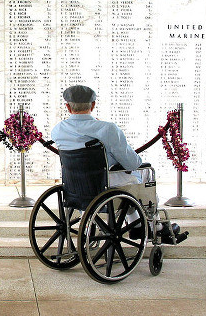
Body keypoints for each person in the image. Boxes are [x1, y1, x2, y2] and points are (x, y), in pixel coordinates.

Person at [51, 85, 182, 242]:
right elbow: (132, 163)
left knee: (131, 178)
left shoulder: (58, 130)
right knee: (145, 172)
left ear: (67, 107)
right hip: (105, 185)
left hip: (75, 185)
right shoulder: (107, 129)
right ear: (93, 105)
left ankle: (136, 224)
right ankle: (152, 227)